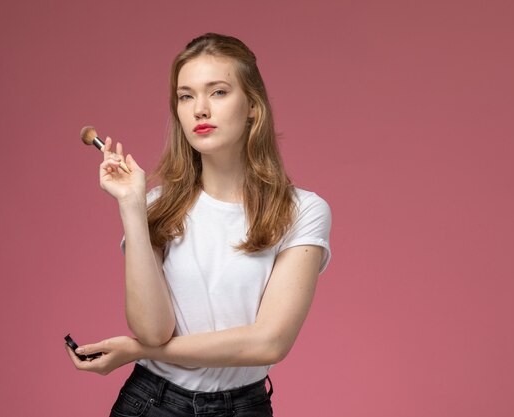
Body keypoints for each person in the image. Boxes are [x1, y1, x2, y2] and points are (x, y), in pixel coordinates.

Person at [65, 33, 332, 417]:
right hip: (152, 402)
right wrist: (131, 206)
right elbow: (153, 329)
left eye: (218, 92)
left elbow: (270, 343)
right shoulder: (156, 205)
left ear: (253, 106)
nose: (199, 110)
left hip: (244, 407)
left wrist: (139, 350)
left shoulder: (302, 210)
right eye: (186, 96)